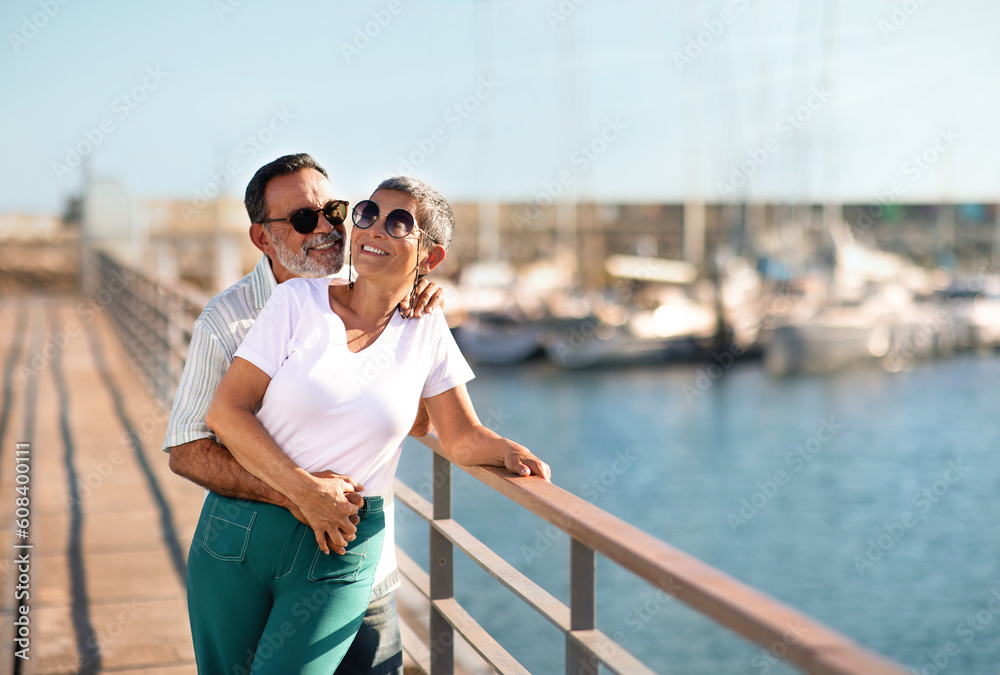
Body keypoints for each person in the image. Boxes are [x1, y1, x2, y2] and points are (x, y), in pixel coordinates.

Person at [198, 176, 551, 673]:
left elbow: (460, 436)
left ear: (431, 257)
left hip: (339, 541)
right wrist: (304, 492)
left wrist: (507, 450)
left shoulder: (427, 329)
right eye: (366, 213)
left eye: (398, 222)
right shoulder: (297, 302)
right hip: (238, 534)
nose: (374, 229)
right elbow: (225, 413)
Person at [164, 153, 443, 675]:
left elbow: (425, 423)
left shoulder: (394, 301)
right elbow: (186, 450)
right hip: (253, 556)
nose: (328, 228)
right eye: (302, 220)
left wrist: (413, 295)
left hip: (360, 568)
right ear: (262, 239)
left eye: (334, 211)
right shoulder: (227, 321)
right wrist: (301, 494)